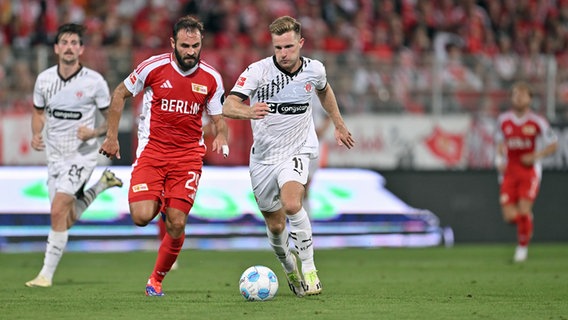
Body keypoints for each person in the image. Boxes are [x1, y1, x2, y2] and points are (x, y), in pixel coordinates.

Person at [222, 16, 355, 297]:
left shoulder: (315, 69)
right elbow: (229, 104)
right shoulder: (258, 72)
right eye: (278, 47)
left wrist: (339, 123)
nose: (283, 53)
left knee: (292, 203)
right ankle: (289, 267)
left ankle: (309, 268)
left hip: (296, 149)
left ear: (301, 43)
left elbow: (324, 90)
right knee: (275, 225)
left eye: (289, 47)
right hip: (263, 157)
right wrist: (249, 111)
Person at [98, 15, 229, 297]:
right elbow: (120, 93)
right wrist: (111, 136)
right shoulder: (153, 67)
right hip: (153, 153)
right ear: (173, 43)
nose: (191, 52)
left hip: (188, 158)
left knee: (177, 221)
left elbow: (219, 117)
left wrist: (221, 135)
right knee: (141, 216)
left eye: (195, 46)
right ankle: (162, 205)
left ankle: (156, 280)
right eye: (185, 45)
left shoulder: (211, 78)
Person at [26, 23, 123, 288]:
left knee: (58, 210)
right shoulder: (44, 80)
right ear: (57, 48)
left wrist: (94, 133)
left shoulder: (94, 82)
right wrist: (36, 133)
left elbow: (111, 118)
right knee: (63, 218)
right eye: (64, 42)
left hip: (82, 155)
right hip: (54, 157)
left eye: (74, 43)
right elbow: (37, 113)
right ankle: (101, 185)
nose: (69, 47)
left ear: (81, 49)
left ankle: (45, 276)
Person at [495, 81, 557, 262]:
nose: (519, 97)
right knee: (509, 216)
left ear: (530, 99)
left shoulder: (538, 121)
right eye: (516, 94)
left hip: (529, 171)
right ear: (511, 98)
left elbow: (553, 145)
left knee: (523, 208)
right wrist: (499, 160)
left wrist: (535, 156)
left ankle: (522, 248)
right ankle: (526, 219)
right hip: (510, 170)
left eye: (523, 94)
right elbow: (500, 143)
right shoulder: (503, 120)